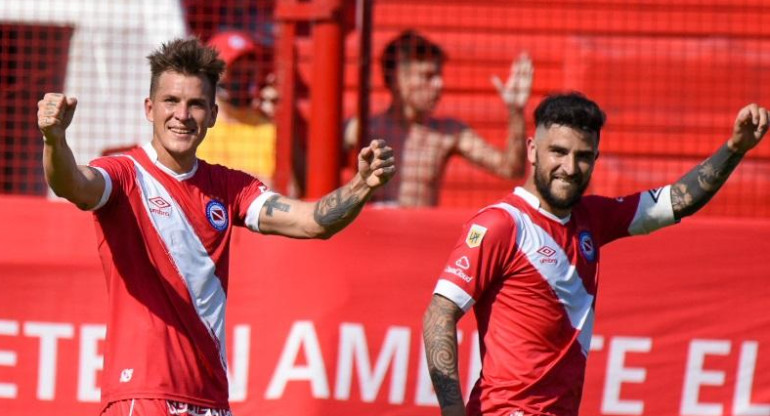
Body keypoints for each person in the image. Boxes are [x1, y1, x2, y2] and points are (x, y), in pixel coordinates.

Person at [38, 37, 394, 416]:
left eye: (195, 104)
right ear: (149, 108)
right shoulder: (124, 173)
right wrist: (54, 139)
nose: (182, 115)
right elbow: (71, 184)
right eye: (171, 101)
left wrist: (361, 185)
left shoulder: (229, 187)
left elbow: (311, 223)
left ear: (211, 114)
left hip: (211, 402)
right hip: (143, 396)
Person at [422, 92, 767, 416]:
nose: (570, 168)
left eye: (583, 156)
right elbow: (439, 314)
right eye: (558, 151)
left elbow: (676, 201)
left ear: (596, 158)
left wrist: (735, 148)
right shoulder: (502, 223)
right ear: (532, 150)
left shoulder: (592, 218)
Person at [344, 29, 533, 207]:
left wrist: (516, 112)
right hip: (371, 235)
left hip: (418, 236)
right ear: (398, 78)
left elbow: (511, 169)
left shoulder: (447, 133)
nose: (439, 84)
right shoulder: (365, 129)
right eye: (428, 76)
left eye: (439, 75)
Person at [196, 30, 278, 185]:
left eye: (249, 72)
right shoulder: (197, 129)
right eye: (235, 73)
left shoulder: (268, 128)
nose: (243, 80)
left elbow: (288, 190)